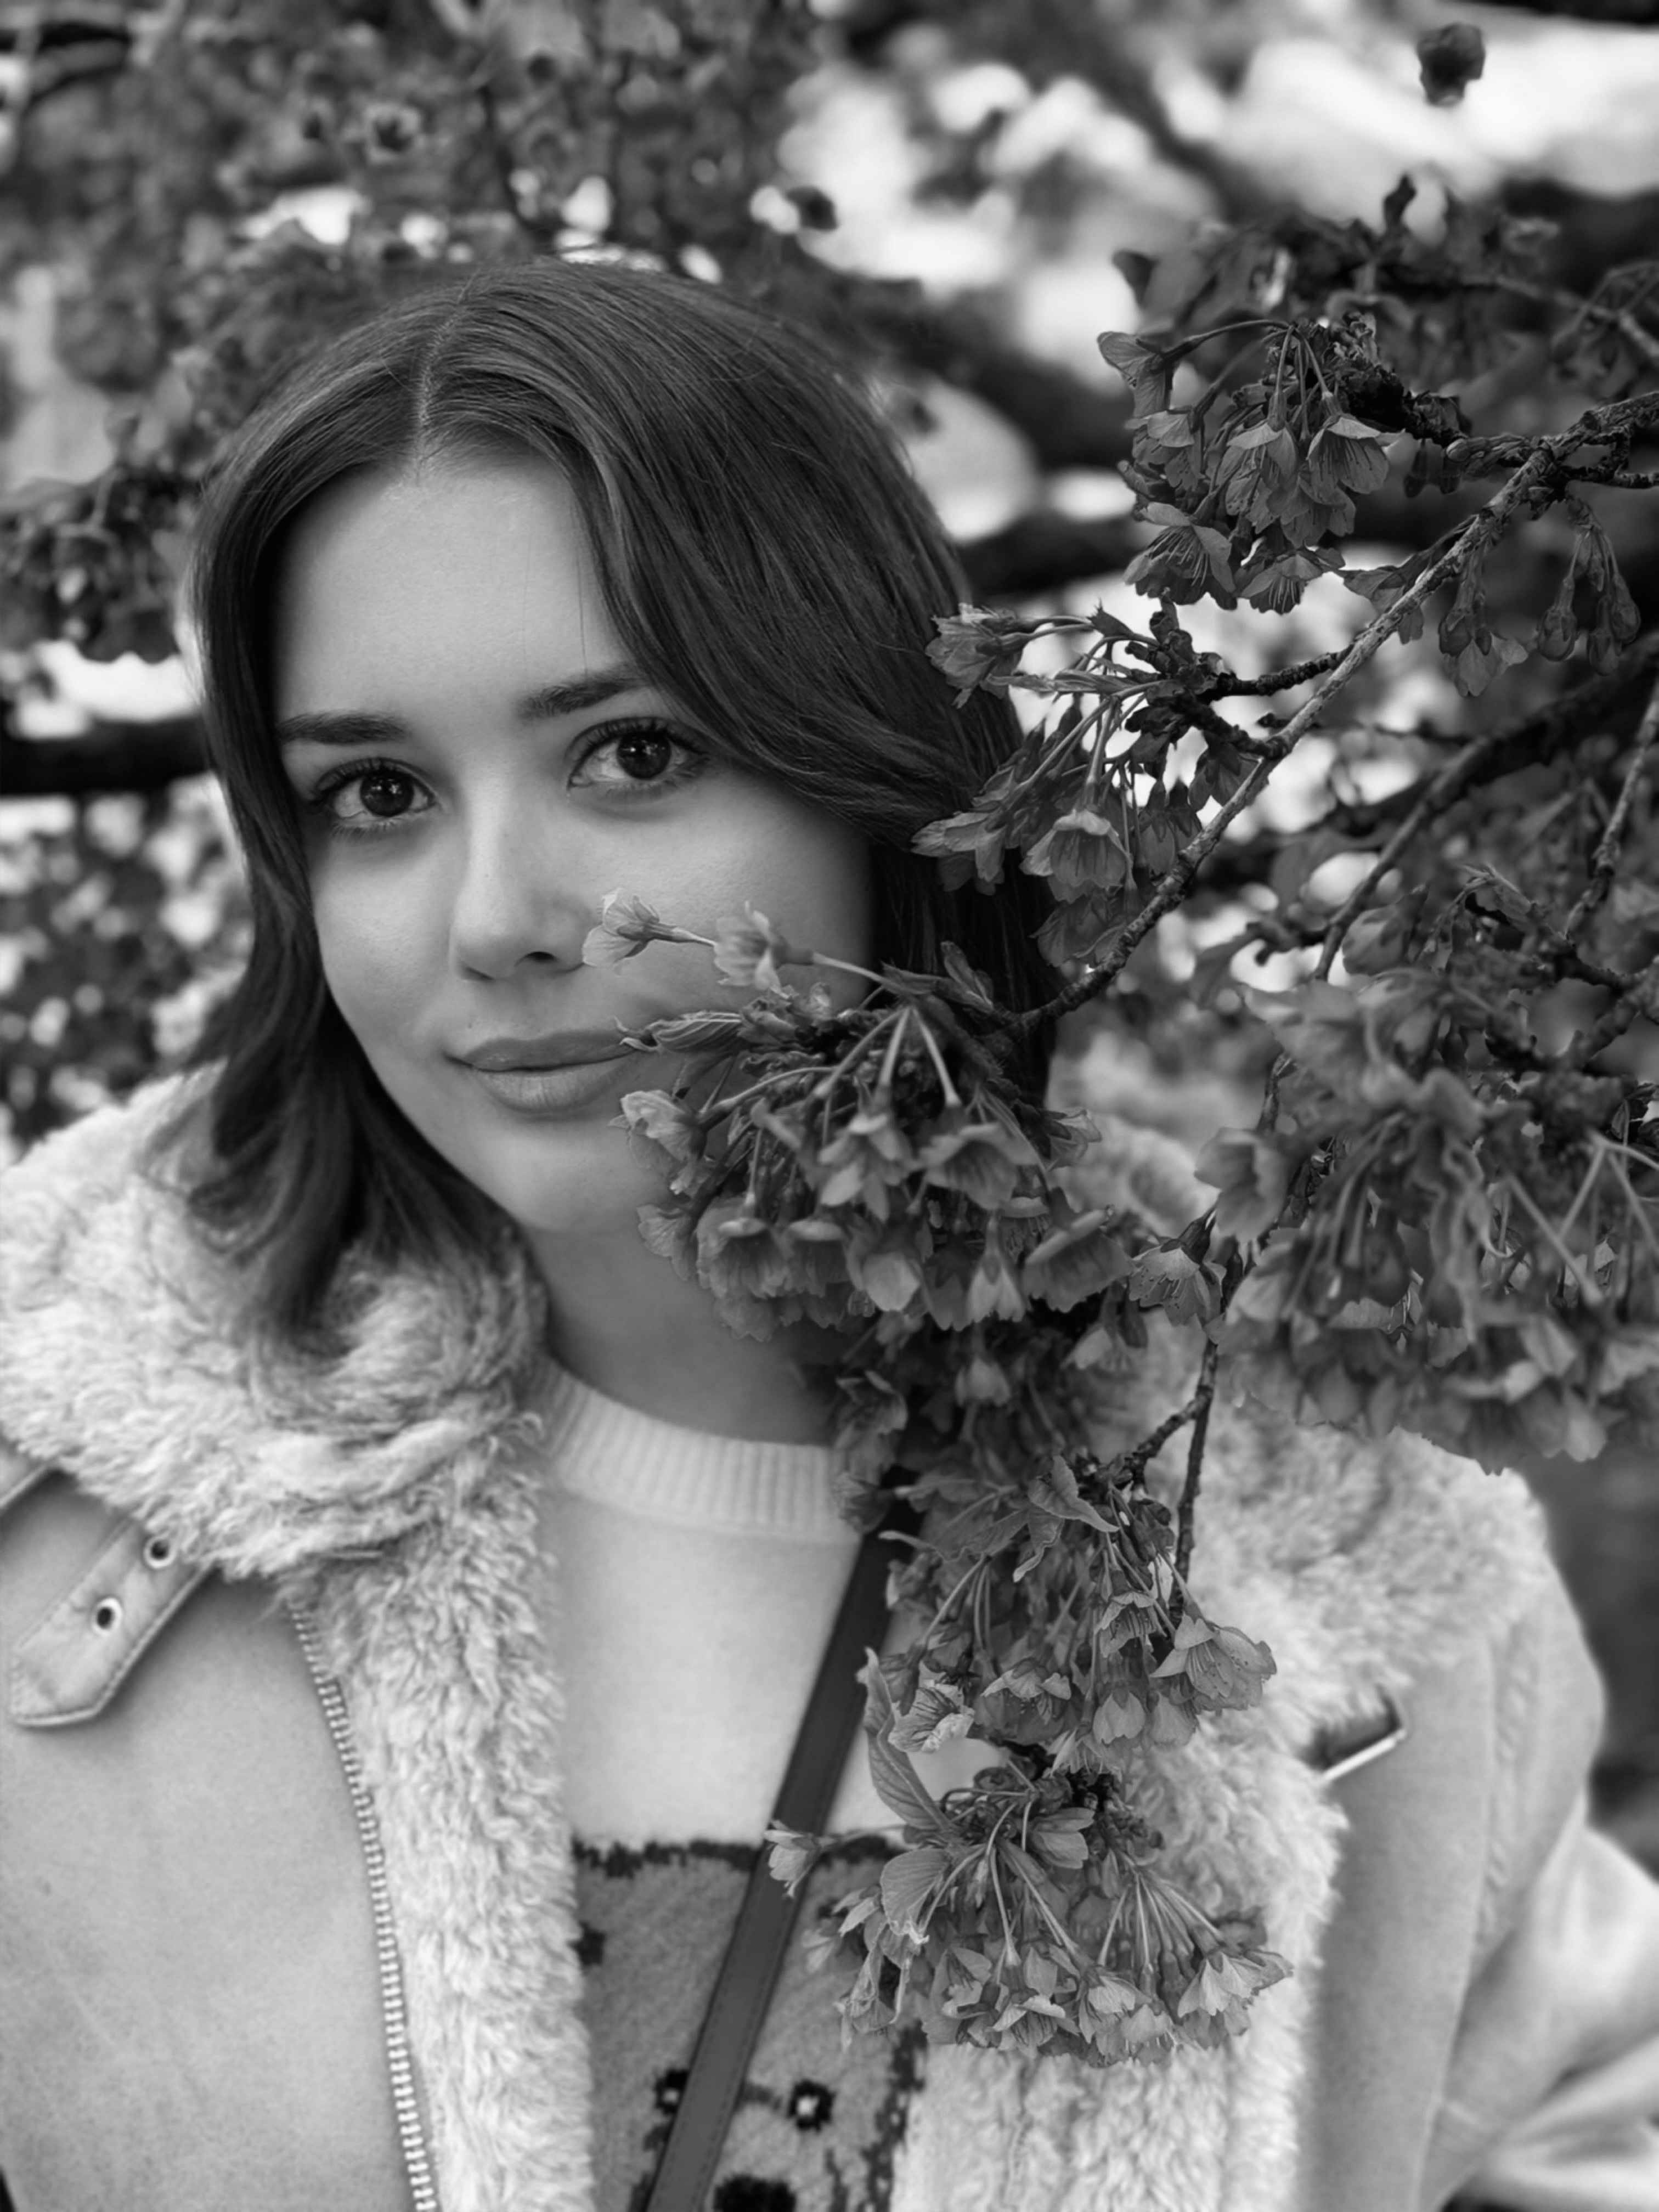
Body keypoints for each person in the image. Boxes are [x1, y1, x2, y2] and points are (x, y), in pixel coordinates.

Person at [1, 258, 1656, 2212]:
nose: (497, 917)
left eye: (632, 754)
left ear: (876, 773)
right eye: (377, 793)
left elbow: (1588, 2111)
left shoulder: (1351, 1556)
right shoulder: (53, 1519)